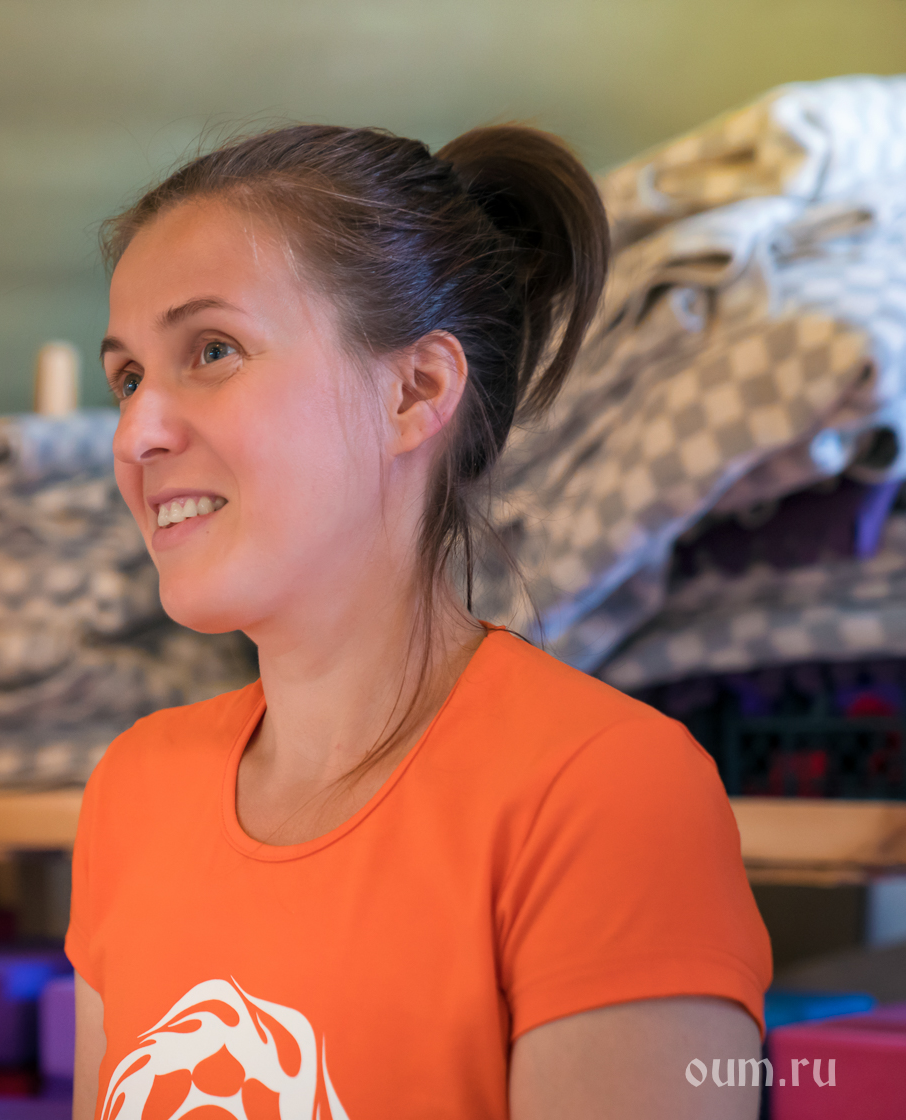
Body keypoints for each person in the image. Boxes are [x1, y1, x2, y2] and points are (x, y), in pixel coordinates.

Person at [66, 124, 772, 1120]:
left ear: (416, 390)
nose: (136, 433)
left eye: (213, 350)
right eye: (129, 378)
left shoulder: (606, 795)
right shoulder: (133, 793)